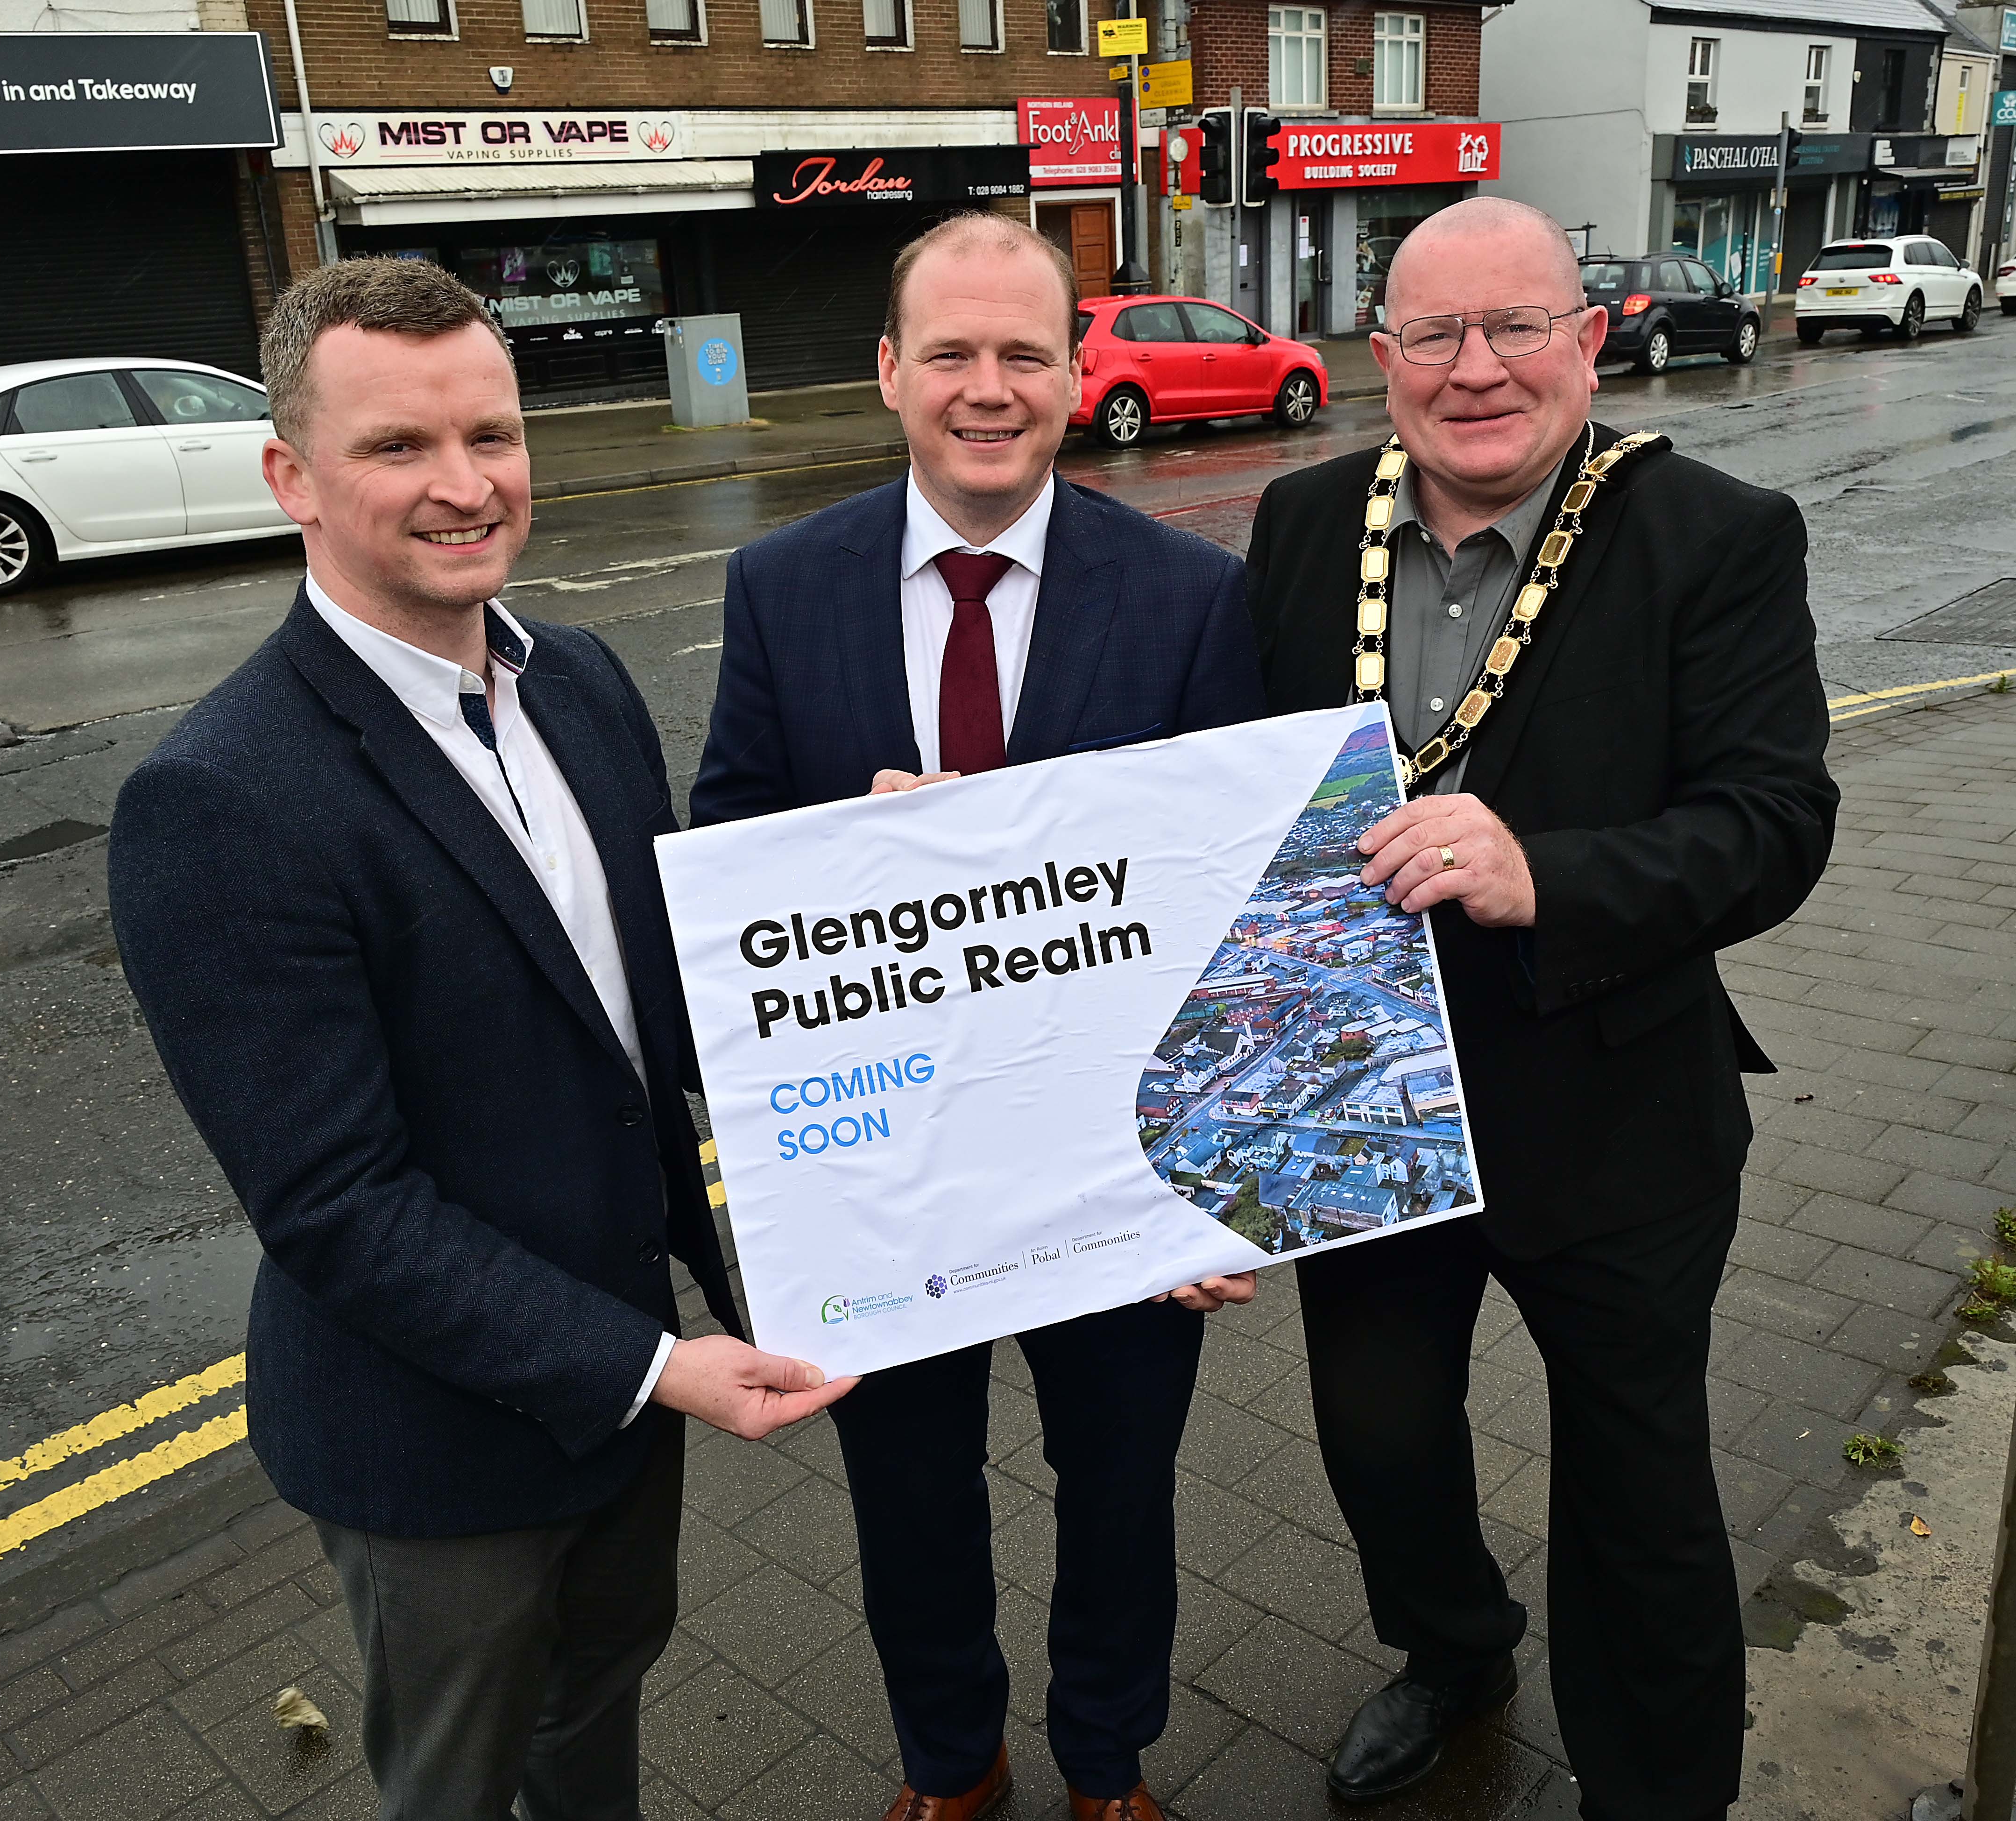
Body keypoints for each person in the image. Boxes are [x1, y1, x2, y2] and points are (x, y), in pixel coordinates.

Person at [108, 256, 852, 1821]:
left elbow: (659, 1020)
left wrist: (881, 885)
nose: (466, 486)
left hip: (634, 1391)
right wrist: (655, 1365)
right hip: (438, 1448)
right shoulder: (222, 797)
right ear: (291, 476)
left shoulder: (574, 680)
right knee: (458, 1781)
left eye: (493, 435)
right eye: (399, 448)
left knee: (594, 1718)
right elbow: (334, 1205)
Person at [1242, 198, 1840, 1817]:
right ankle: (1454, 1650)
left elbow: (1775, 825)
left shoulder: (1713, 534)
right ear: (1386, 360)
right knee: (1376, 1437)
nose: (1478, 367)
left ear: (1588, 340)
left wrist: (1547, 872)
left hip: (1611, 1105)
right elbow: (1219, 797)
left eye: (1518, 326)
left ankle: (1655, 1787)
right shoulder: (1304, 525)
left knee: (1636, 1483)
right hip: (1359, 1105)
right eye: (1436, 332)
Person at [691, 213, 1266, 1821]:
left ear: (1078, 379)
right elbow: (732, 869)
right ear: (889, 373)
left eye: (1025, 353)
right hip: (887, 1179)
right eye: (951, 352)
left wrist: (1231, 1174)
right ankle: (957, 1765)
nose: (988, 387)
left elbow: (1237, 897)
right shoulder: (781, 586)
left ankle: (1107, 1763)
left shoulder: (1185, 598)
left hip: (1118, 1171)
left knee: (1123, 1488)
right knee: (912, 1500)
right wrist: (839, 861)